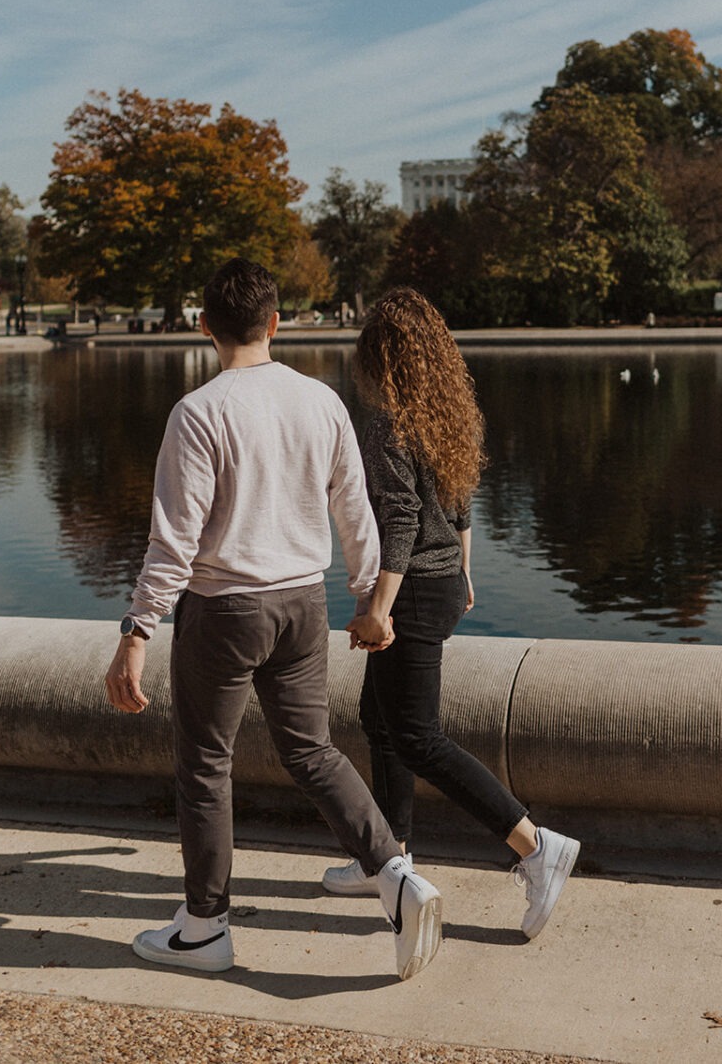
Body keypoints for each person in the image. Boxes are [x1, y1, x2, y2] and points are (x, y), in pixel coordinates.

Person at [104, 258, 441, 981]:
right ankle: (398, 877)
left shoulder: (199, 412)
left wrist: (137, 631)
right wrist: (368, 599)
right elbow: (356, 506)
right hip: (302, 605)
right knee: (314, 753)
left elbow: (175, 541)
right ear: (277, 322)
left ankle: (204, 928)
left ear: (204, 327)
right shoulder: (320, 401)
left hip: (225, 610)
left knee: (204, 765)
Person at [325, 287, 580, 940]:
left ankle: (534, 845)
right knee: (379, 720)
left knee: (417, 736)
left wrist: (378, 609)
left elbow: (403, 519)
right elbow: (463, 505)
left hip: (408, 590)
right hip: (440, 583)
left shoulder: (386, 425)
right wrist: (467, 572)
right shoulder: (448, 415)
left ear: (378, 356)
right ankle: (391, 857)